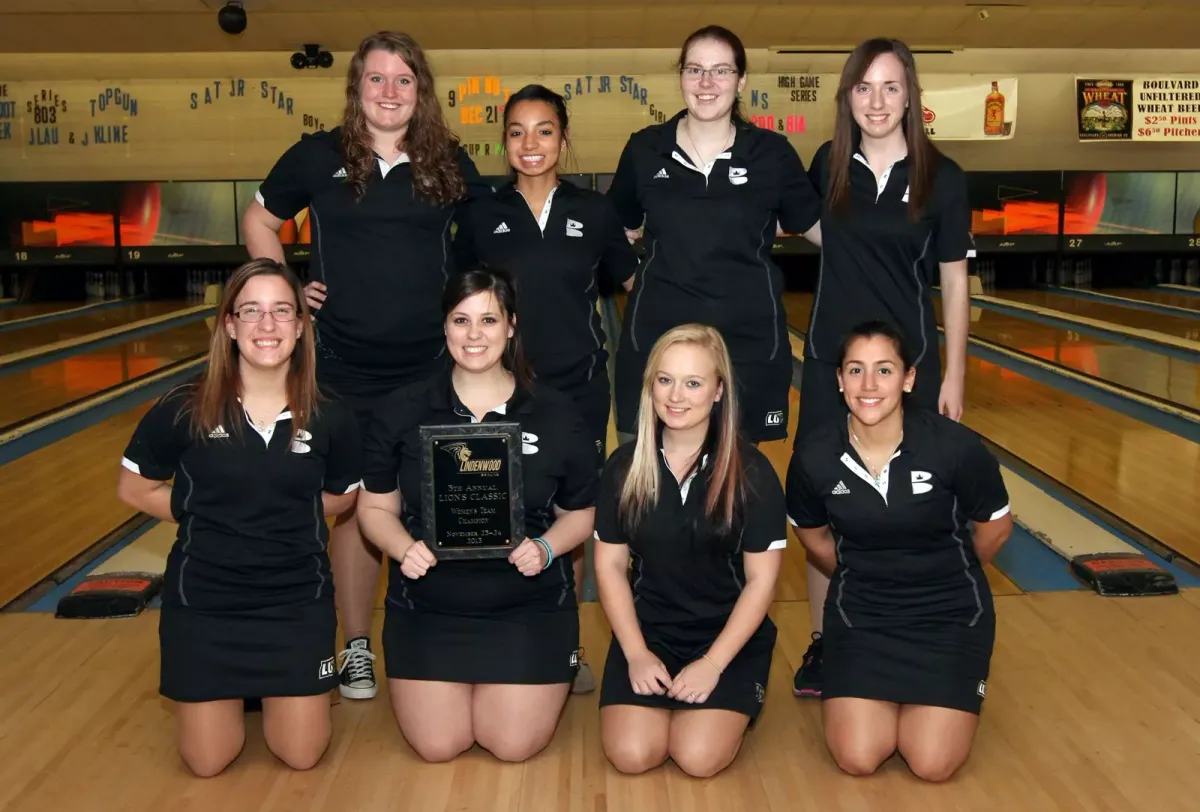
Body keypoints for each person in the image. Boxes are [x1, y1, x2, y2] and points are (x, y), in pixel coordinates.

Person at [241, 30, 491, 702]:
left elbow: (488, 245)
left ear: (421, 91)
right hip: (340, 365)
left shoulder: (446, 161)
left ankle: (439, 636)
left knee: (423, 500)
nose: (388, 92)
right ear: (357, 88)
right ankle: (354, 644)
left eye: (403, 79)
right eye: (376, 79)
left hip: (429, 365)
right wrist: (287, 289)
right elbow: (259, 219)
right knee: (352, 503)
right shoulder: (318, 156)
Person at [115, 259, 362, 777]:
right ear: (228, 324)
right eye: (251, 312)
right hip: (205, 603)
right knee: (208, 762)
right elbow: (133, 488)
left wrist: (279, 514)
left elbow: (340, 499)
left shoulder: (332, 413)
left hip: (295, 602)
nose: (266, 326)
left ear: (300, 325)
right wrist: (204, 510)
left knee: (300, 755)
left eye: (280, 312)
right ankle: (240, 696)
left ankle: (280, 692)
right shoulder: (184, 407)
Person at [788, 37, 975, 699]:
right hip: (829, 366)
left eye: (890, 87)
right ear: (847, 97)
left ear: (910, 96)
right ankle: (822, 643)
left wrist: (953, 375)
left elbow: (953, 281)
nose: (876, 101)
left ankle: (910, 634)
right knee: (827, 505)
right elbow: (812, 233)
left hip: (910, 371)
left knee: (914, 510)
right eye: (863, 87)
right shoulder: (827, 164)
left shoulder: (943, 177)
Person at [356, 267, 599, 763]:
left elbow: (582, 511)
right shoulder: (402, 409)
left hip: (527, 606)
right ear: (444, 326)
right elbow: (375, 508)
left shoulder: (555, 412)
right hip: (427, 608)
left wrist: (548, 546)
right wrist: (404, 548)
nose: (474, 335)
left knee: (511, 745)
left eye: (488, 320)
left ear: (511, 326)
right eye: (460, 320)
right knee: (438, 745)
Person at [453, 83, 639, 694]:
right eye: (516, 131)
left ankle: (568, 645)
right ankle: (495, 632)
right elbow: (455, 300)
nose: (530, 144)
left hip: (580, 389)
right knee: (495, 509)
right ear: (503, 142)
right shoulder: (481, 214)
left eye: (543, 130)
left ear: (563, 137)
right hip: (500, 390)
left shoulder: (595, 211)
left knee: (571, 516)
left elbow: (632, 284)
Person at [786, 320, 1011, 782]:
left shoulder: (955, 448)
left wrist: (950, 571)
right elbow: (814, 539)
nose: (869, 385)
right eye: (855, 370)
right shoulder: (815, 455)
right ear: (839, 379)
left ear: (908, 379)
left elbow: (995, 529)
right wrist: (867, 575)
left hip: (948, 616)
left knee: (931, 763)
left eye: (884, 370)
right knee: (858, 756)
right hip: (863, 617)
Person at [606, 25, 822, 446]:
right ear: (681, 77)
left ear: (741, 81)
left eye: (721, 71)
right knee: (653, 490)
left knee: (735, 489)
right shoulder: (645, 149)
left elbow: (819, 228)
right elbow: (613, 227)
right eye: (695, 70)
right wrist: (634, 278)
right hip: (658, 342)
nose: (707, 83)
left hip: (748, 343)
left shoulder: (771, 153)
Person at [593, 324, 786, 779]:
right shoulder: (624, 468)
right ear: (650, 386)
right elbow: (610, 566)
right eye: (665, 380)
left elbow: (762, 582)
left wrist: (714, 664)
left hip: (726, 638)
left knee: (697, 757)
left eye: (693, 383)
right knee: (632, 754)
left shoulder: (753, 473)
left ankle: (723, 697)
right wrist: (636, 652)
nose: (676, 396)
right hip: (648, 632)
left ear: (719, 391)